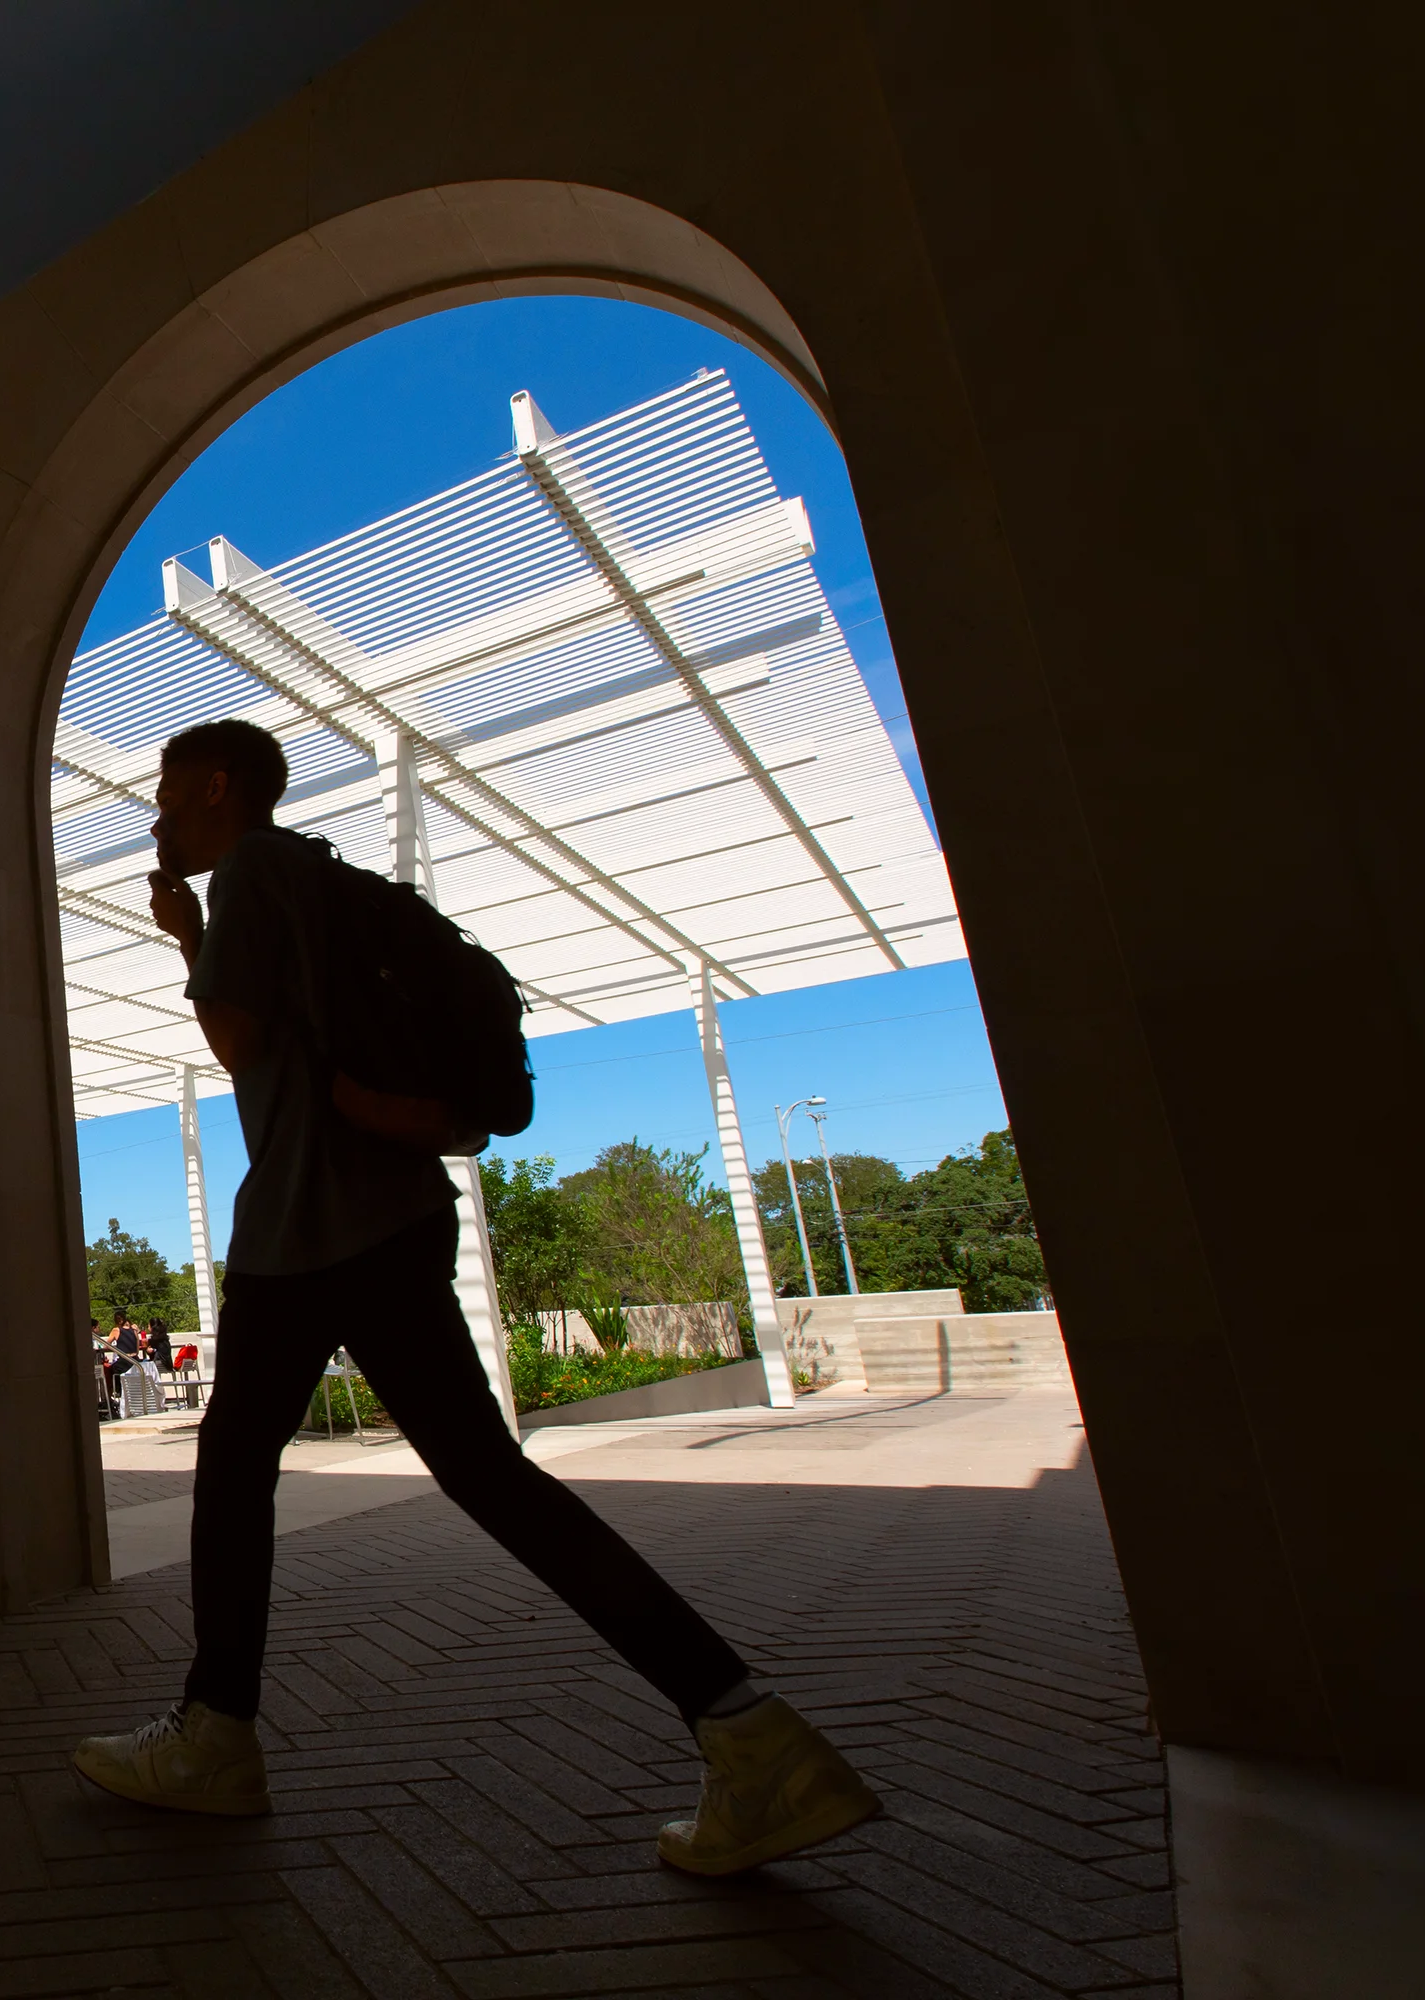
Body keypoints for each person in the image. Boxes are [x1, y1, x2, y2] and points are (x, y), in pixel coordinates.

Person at [70, 717, 877, 1878]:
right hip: (394, 1215)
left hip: (308, 1225)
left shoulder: (251, 867)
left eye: (164, 791)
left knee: (238, 1462)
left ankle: (216, 1735)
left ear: (214, 785)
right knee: (490, 1477)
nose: (155, 814)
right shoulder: (330, 880)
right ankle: (749, 1727)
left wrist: (190, 940)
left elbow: (240, 1046)